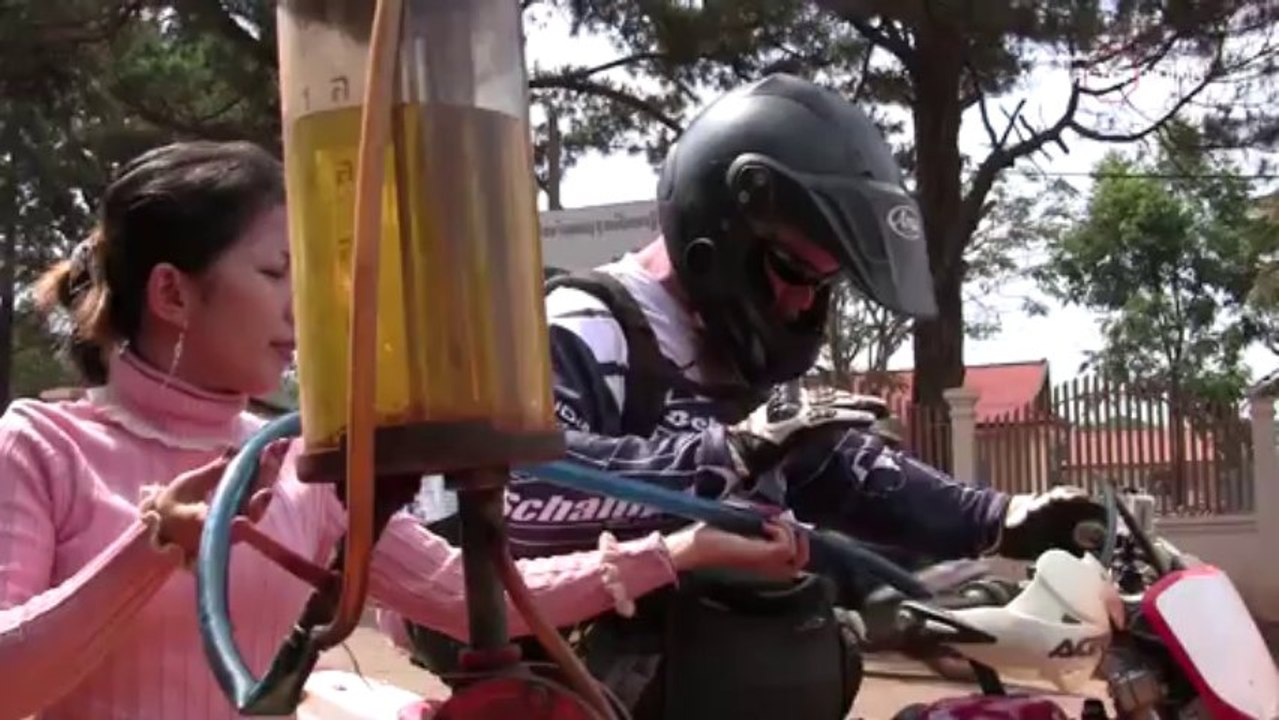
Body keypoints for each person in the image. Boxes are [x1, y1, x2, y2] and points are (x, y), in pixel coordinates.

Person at [0, 140, 809, 720]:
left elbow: (459, 598)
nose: (302, 308)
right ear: (172, 295)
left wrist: (682, 551)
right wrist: (149, 553)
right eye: (275, 274)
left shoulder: (297, 464)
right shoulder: (41, 447)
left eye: (307, 277)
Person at [403, 74, 1106, 719]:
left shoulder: (738, 361)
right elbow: (518, 497)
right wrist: (723, 457)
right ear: (718, 233)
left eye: (822, 284)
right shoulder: (587, 328)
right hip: (563, 687)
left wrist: (998, 518)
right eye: (791, 270)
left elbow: (838, 468)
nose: (802, 300)